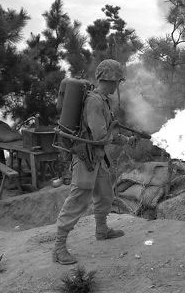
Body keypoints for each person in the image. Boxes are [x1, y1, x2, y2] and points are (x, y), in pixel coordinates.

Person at [53, 59, 134, 265]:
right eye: (117, 81)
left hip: (97, 157)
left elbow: (105, 132)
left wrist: (123, 139)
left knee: (105, 193)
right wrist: (116, 136)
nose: (118, 86)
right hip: (85, 157)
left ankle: (102, 229)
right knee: (78, 198)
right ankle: (59, 247)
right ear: (110, 79)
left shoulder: (103, 100)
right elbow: (99, 135)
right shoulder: (95, 101)